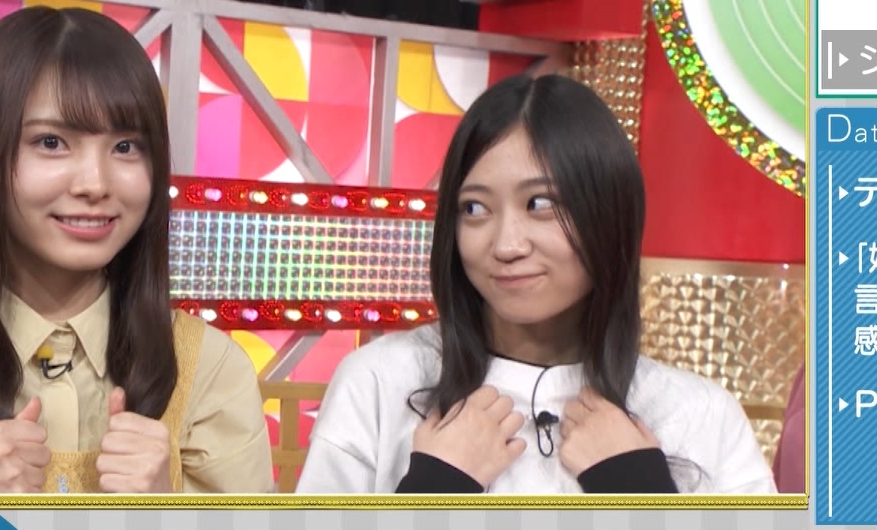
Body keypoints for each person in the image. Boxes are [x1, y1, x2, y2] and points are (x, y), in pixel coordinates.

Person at [0, 6, 274, 494]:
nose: (95, 184)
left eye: (126, 147)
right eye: (52, 142)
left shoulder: (211, 371)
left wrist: (166, 516)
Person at [295, 74, 776, 494]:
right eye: (474, 208)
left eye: (540, 204)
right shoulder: (379, 381)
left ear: (609, 212)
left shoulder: (696, 413)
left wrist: (639, 491)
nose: (506, 245)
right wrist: (436, 491)